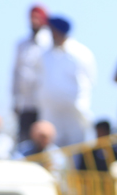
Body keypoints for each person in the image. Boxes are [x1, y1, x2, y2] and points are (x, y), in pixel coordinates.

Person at [37, 16, 95, 146]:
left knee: (76, 145)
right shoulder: (46, 54)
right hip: (51, 110)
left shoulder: (80, 53)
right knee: (53, 146)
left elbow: (90, 79)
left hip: (73, 111)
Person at [12, 4, 51, 144]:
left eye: (37, 17)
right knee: (24, 140)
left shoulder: (49, 43)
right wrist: (15, 99)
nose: (34, 21)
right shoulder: (21, 45)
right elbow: (16, 73)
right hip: (26, 102)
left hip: (44, 102)